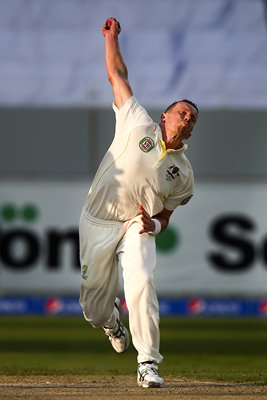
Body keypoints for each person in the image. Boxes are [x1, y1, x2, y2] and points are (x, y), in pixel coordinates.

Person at [79, 17, 199, 388]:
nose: (188, 117)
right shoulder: (136, 121)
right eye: (182, 111)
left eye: (193, 118)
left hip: (136, 224)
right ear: (165, 115)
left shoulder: (184, 173)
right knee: (93, 308)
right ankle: (111, 322)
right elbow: (116, 74)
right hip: (98, 219)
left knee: (143, 280)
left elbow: (166, 214)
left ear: (191, 130)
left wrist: (156, 225)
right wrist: (111, 38)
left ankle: (148, 362)